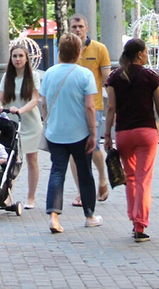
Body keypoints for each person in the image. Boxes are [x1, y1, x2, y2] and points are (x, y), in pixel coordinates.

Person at [103, 38, 159, 243]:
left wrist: (107, 134)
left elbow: (110, 108)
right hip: (146, 133)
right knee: (144, 179)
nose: (147, 55)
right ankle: (140, 225)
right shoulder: (150, 76)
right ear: (140, 54)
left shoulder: (115, 76)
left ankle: (133, 218)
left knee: (131, 178)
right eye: (146, 52)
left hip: (124, 133)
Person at [41, 32, 103, 233]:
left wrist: (47, 122)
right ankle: (89, 215)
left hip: (55, 132)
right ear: (79, 52)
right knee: (85, 173)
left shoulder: (49, 73)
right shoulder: (85, 74)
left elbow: (43, 103)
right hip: (80, 133)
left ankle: (53, 215)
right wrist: (93, 133)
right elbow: (89, 108)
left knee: (57, 171)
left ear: (60, 52)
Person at [68, 14, 111, 206]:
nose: (77, 30)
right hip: (71, 107)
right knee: (72, 152)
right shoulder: (66, 50)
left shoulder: (99, 49)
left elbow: (107, 78)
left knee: (93, 148)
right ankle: (82, 191)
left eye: (80, 26)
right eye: (73, 27)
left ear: (87, 28)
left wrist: (113, 104)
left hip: (94, 106)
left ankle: (102, 178)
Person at [0, 41, 42, 208]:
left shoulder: (33, 76)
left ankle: (31, 197)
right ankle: (8, 195)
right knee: (11, 160)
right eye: (14, 56)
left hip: (31, 123)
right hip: (13, 125)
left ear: (27, 59)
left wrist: (21, 110)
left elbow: (35, 99)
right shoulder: (7, 77)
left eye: (21, 56)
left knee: (32, 159)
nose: (18, 59)